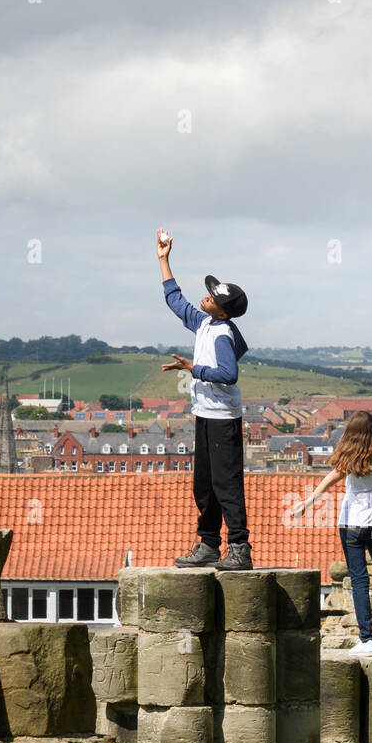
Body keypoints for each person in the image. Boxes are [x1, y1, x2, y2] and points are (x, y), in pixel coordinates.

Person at [285, 369, 372, 655]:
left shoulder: (350, 460)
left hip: (352, 523)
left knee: (359, 580)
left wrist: (304, 505)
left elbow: (327, 482)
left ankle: (367, 639)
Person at [156, 228, 253, 570]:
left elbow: (228, 374)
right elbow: (176, 302)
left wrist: (193, 368)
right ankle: (209, 544)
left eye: (212, 296)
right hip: (206, 414)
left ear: (222, 310)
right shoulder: (205, 324)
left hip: (223, 419)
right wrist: (164, 261)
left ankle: (240, 548)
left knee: (226, 484)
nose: (206, 296)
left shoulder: (222, 333)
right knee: (205, 484)